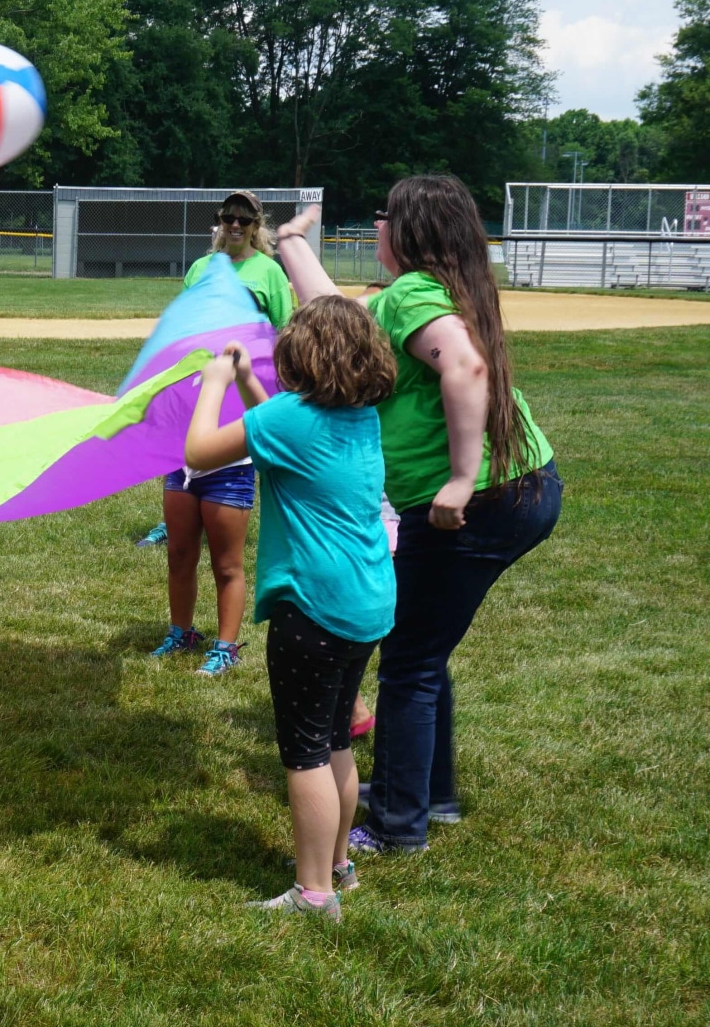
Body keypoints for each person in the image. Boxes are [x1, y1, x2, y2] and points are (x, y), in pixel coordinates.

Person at [274, 175, 560, 855]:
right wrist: (289, 242)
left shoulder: (413, 296)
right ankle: (429, 791)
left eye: (384, 217)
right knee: (424, 647)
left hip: (481, 502)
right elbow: (332, 315)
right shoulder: (426, 293)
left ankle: (401, 823)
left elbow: (466, 368)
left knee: (408, 658)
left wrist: (461, 479)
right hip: (521, 488)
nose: (375, 225)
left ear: (407, 233)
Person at [182, 298, 397, 921]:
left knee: (303, 752)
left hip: (314, 606)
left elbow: (199, 452)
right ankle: (337, 868)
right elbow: (280, 438)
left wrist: (216, 384)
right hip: (365, 601)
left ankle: (313, 896)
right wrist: (251, 382)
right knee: (335, 739)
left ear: (303, 355)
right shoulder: (362, 416)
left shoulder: (290, 418)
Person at [146, 191, 296, 675]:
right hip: (191, 420)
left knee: (227, 561)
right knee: (180, 549)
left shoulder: (269, 274)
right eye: (227, 217)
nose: (234, 224)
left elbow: (285, 340)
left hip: (234, 426)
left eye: (243, 218)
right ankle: (181, 631)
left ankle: (226, 646)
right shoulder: (201, 269)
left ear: (255, 224)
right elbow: (180, 334)